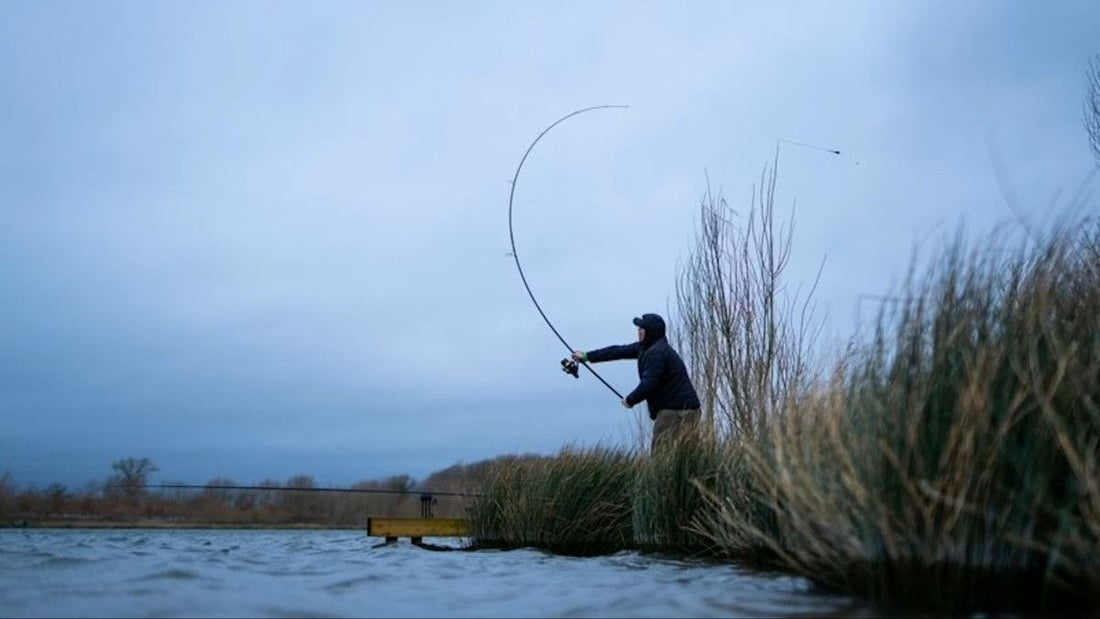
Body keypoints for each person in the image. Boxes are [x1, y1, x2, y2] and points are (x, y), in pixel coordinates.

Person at [573, 313, 702, 450]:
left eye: (641, 329)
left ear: (650, 332)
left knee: (662, 456)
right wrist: (587, 356)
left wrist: (630, 400)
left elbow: (649, 384)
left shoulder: (657, 353)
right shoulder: (646, 347)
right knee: (687, 457)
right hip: (683, 410)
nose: (638, 331)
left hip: (676, 412)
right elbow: (618, 351)